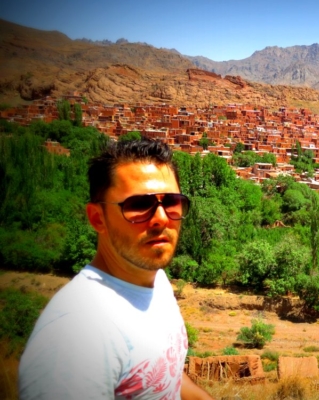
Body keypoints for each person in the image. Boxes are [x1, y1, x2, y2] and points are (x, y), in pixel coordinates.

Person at [19, 139, 213, 399]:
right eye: (138, 205)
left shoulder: (154, 279)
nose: (161, 218)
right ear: (97, 218)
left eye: (171, 202)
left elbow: (165, 374)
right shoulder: (75, 334)